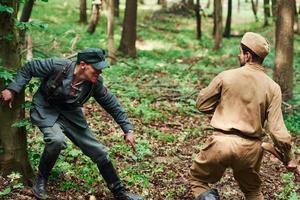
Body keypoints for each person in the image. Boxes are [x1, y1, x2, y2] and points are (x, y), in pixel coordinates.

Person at [0, 48, 144, 200]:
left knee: (99, 152)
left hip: (71, 113)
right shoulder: (57, 66)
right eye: (96, 68)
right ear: (83, 64)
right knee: (56, 140)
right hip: (46, 108)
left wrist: (128, 129)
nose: (99, 72)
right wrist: (13, 89)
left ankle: (119, 193)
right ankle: (40, 180)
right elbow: (29, 68)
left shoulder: (95, 84)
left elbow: (112, 104)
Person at [189, 32, 298, 200]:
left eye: (240, 52)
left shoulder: (226, 76)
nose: (238, 55)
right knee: (253, 192)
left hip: (221, 144)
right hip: (250, 150)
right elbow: (278, 131)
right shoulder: (273, 87)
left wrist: (224, 102)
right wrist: (289, 157)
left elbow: (202, 104)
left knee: (198, 180)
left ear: (247, 55)